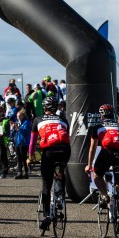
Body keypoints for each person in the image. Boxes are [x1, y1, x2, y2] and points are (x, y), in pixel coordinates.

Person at [28, 96, 71, 231]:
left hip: (49, 151)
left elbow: (32, 142)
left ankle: (47, 215)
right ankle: (60, 197)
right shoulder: (63, 120)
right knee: (60, 170)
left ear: (44, 108)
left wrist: (30, 156)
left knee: (46, 183)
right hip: (64, 150)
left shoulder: (37, 119)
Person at [84, 104, 119, 229]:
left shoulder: (98, 127)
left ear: (101, 115)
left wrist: (89, 165)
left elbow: (92, 148)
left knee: (97, 175)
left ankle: (105, 195)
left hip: (107, 153)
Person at [13, 110, 32, 179]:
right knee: (18, 158)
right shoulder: (18, 122)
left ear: (23, 116)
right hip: (18, 142)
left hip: (24, 142)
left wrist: (18, 128)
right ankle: (19, 172)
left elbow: (25, 132)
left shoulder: (26, 122)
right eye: (17, 116)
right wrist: (13, 129)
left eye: (20, 116)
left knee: (23, 158)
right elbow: (15, 133)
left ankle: (26, 172)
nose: (18, 117)